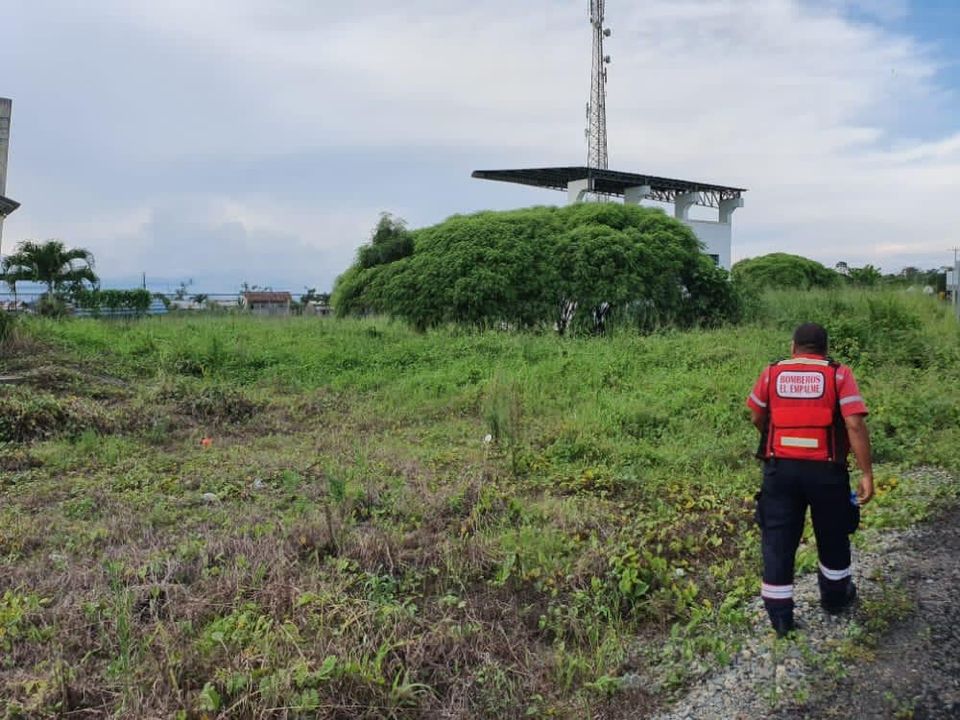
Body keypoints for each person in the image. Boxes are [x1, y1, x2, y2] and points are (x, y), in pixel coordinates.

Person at [746, 322, 874, 637]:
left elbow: (757, 415)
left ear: (793, 347)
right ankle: (834, 598)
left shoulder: (772, 372)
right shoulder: (838, 375)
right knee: (833, 533)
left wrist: (775, 437)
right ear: (825, 349)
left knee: (778, 538)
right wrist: (867, 473)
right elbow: (854, 424)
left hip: (780, 470)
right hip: (827, 472)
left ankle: (780, 617)